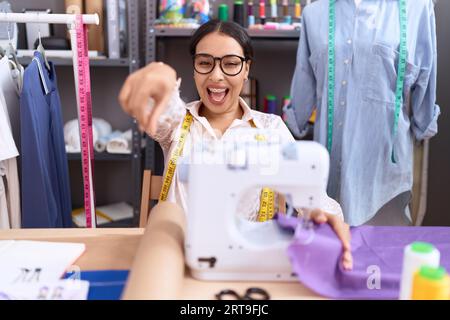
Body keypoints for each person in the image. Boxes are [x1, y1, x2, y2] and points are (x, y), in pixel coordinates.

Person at [119, 20, 352, 269]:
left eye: (230, 64)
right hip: (178, 262)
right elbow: (156, 108)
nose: (216, 76)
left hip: (248, 263)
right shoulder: (178, 124)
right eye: (205, 63)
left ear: (246, 69)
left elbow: (310, 197)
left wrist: (318, 213)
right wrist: (160, 73)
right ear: (194, 68)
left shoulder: (270, 129)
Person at [285, 0, 439, 226]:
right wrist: (295, 120)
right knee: (332, 254)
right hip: (327, 171)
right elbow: (305, 76)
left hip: (384, 176)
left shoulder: (416, 8)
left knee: (384, 255)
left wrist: (424, 120)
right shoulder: (314, 14)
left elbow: (426, 73)